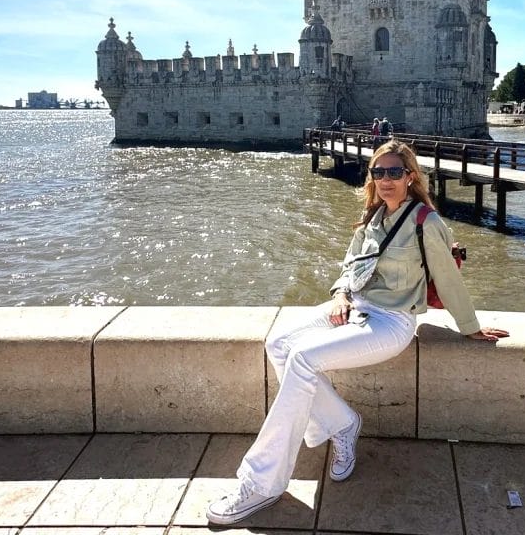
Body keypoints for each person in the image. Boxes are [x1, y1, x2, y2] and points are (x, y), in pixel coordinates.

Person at [206, 140, 508, 526]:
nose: (385, 179)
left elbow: (448, 279)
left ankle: (262, 483)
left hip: (391, 322)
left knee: (302, 359)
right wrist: (341, 295)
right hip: (354, 308)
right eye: (378, 172)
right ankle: (343, 424)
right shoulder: (373, 215)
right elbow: (351, 264)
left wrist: (471, 327)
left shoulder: (426, 222)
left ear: (410, 176)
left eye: (394, 172)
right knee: (279, 343)